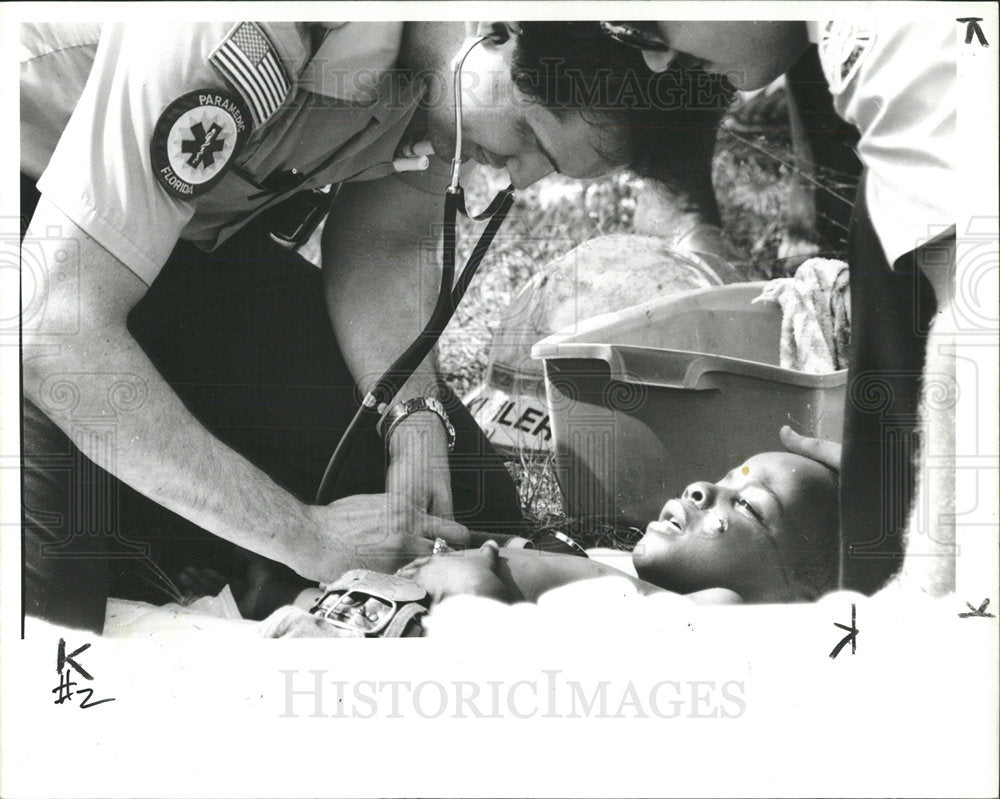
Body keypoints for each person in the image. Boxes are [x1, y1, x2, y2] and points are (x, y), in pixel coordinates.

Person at [20, 21, 732, 631]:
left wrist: (413, 417)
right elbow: (59, 335)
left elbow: (383, 242)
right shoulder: (258, 28)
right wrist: (305, 534)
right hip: (42, 260)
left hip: (157, 251)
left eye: (552, 170)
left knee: (480, 515)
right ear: (496, 27)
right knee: (54, 619)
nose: (518, 181)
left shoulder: (441, 67)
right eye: (528, 137)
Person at [612, 18, 956, 594]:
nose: (652, 62)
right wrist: (895, 465)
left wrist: (930, 583)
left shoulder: (903, 38)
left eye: (647, 25)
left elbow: (975, 319)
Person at [249, 449, 840, 638]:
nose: (701, 488)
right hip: (417, 589)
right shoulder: (627, 579)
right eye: (727, 477)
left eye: (750, 506)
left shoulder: (722, 614)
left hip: (458, 614)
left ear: (796, 592)